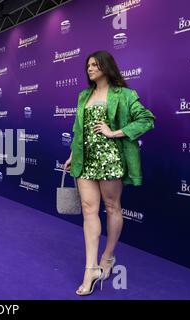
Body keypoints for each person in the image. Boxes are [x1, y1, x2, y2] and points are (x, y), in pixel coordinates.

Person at [64, 51, 155, 296]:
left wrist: (115, 132)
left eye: (95, 64)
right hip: (86, 160)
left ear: (106, 66)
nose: (90, 68)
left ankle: (108, 255)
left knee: (112, 207)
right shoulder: (84, 95)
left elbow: (147, 119)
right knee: (88, 209)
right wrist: (73, 154)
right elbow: (77, 129)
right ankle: (90, 268)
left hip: (111, 159)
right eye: (88, 65)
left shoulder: (124, 94)